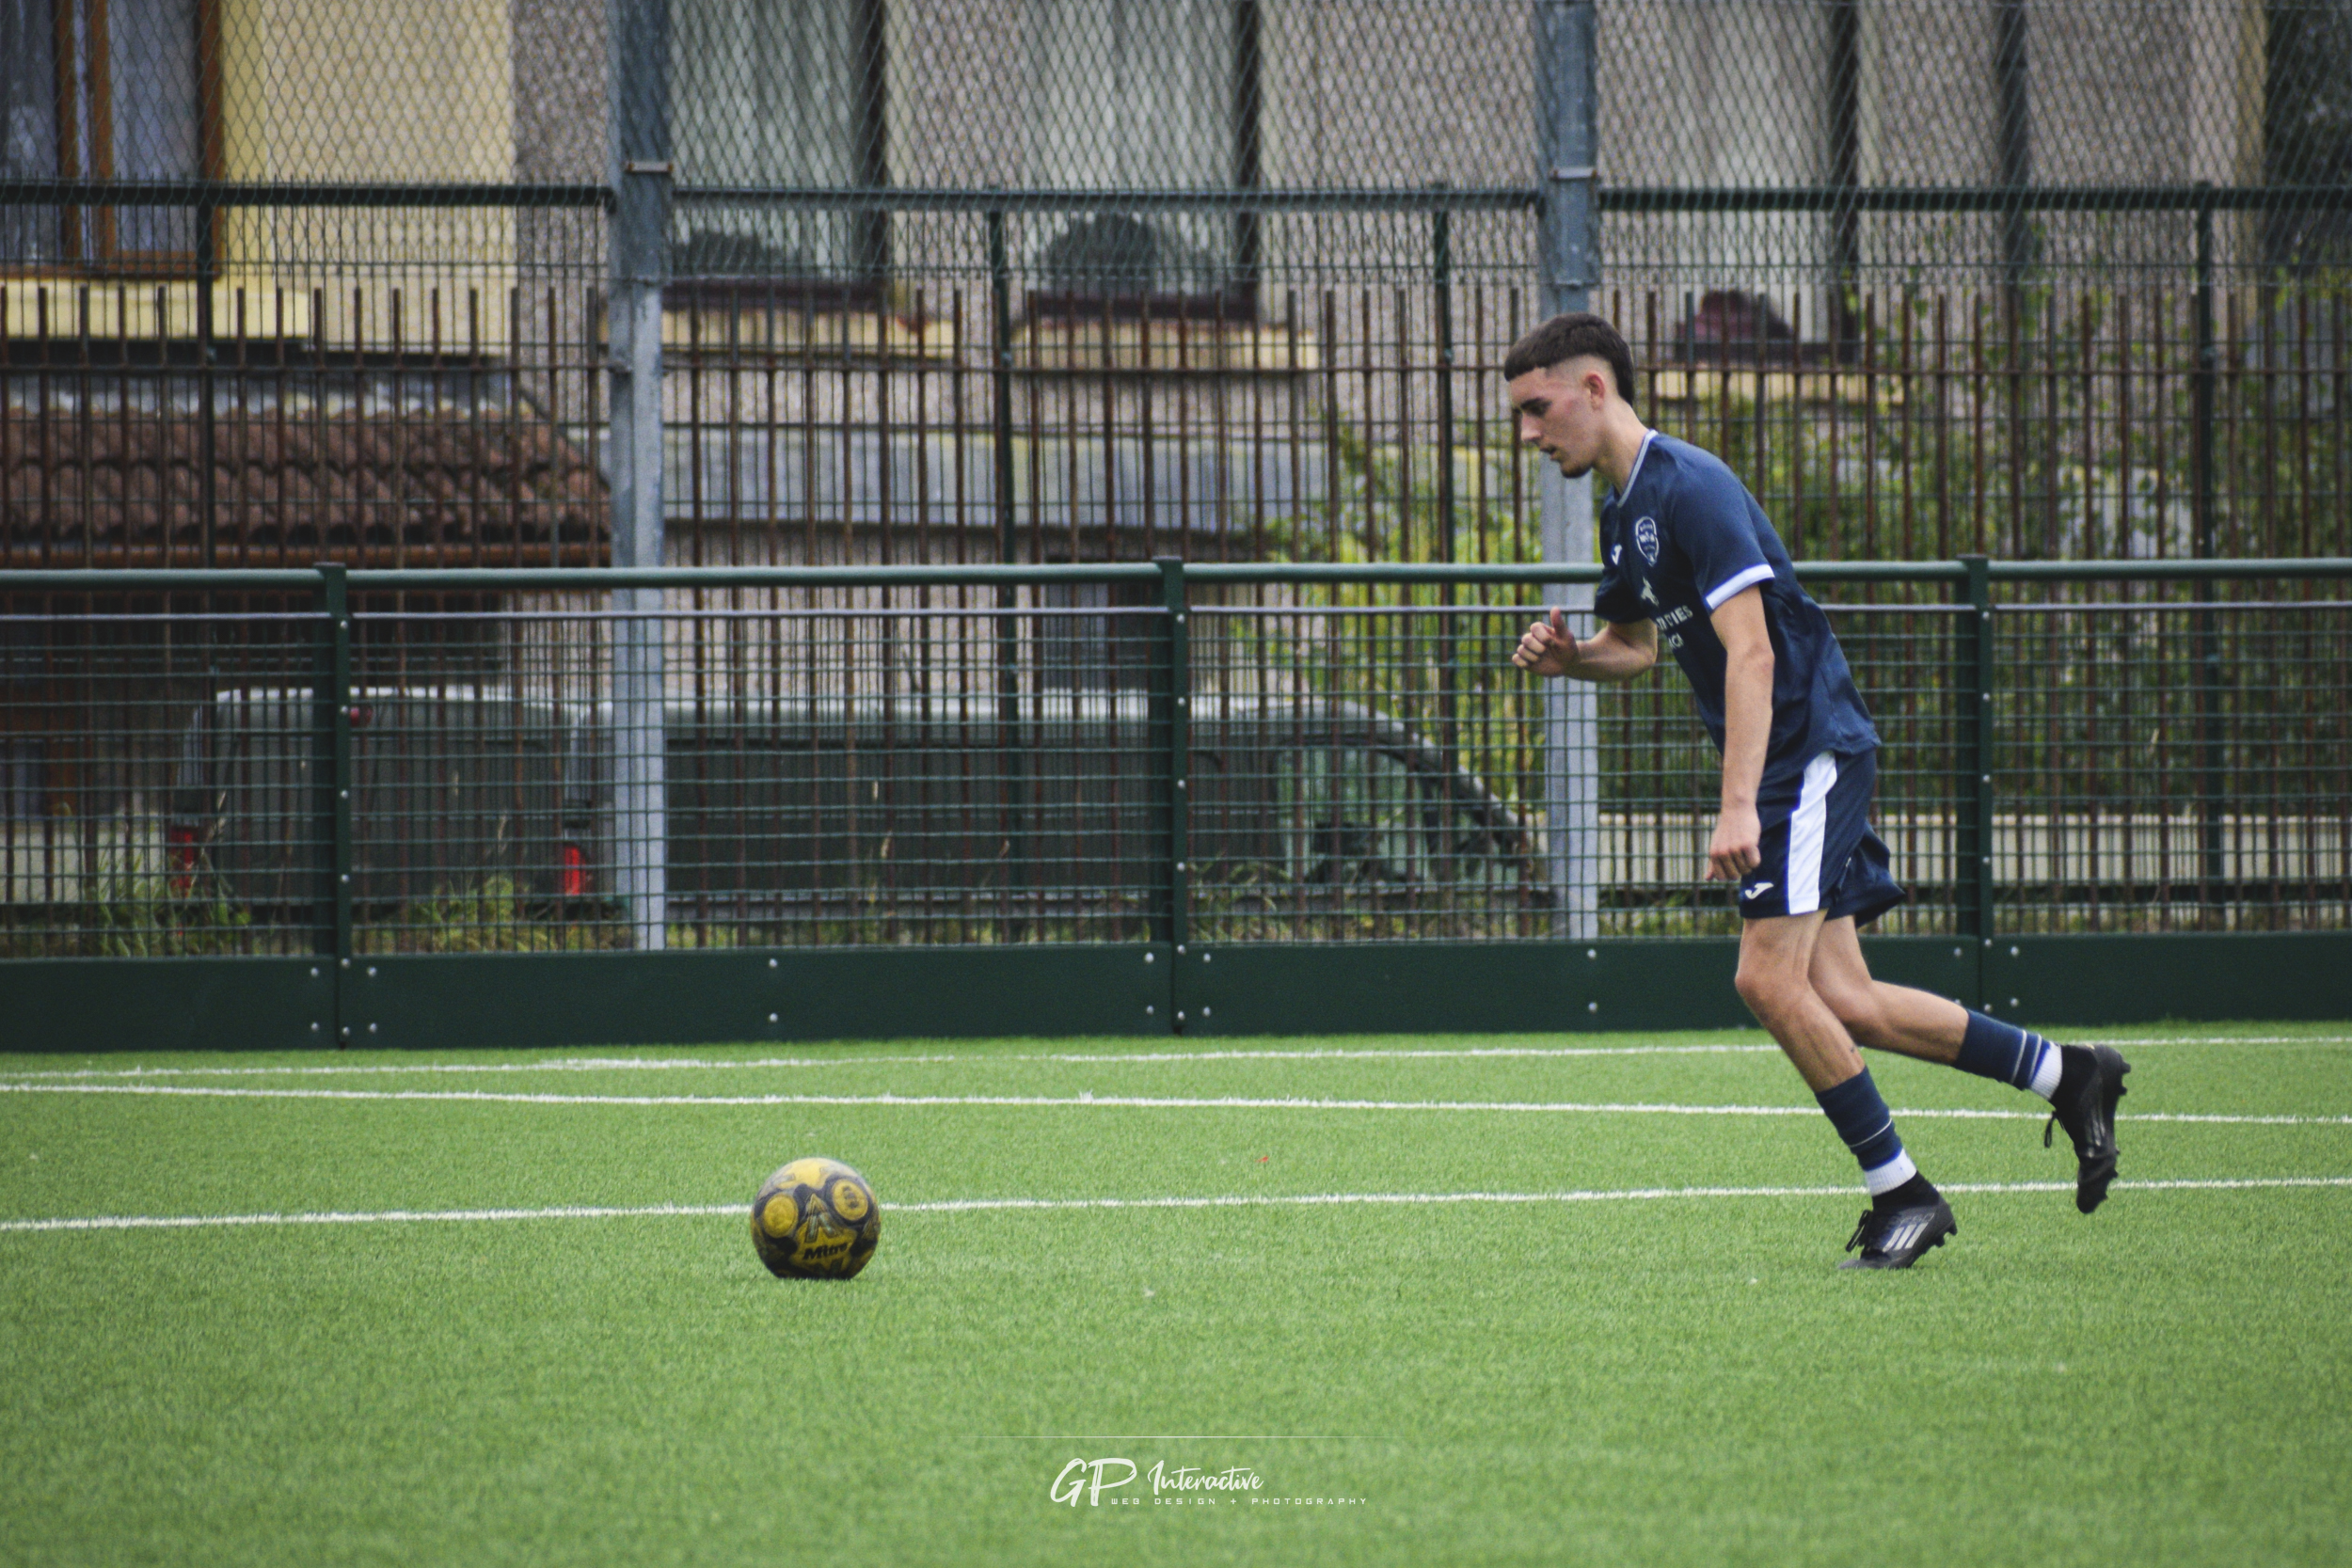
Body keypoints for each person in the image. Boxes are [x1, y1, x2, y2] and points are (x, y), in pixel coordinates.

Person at [1502, 311, 2130, 1269]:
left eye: (1537, 407)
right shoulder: (1622, 514)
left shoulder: (1691, 487)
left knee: (1765, 978)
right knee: (1846, 995)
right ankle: (2066, 1070)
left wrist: (1738, 801)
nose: (1529, 432)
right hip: (1793, 759)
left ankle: (1903, 1193)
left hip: (1802, 753)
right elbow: (1632, 648)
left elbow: (1751, 652)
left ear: (1595, 388)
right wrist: (1570, 660)